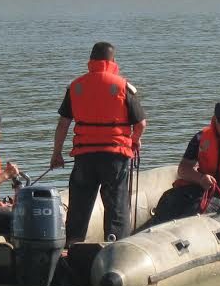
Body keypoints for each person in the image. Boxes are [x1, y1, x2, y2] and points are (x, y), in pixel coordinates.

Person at [50, 42, 147, 244]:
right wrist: (134, 142)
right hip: (115, 155)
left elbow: (63, 124)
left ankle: (73, 244)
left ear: (91, 61)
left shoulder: (76, 86)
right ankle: (115, 244)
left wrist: (56, 153)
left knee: (79, 205)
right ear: (112, 61)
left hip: (84, 156)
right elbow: (141, 124)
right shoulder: (122, 86)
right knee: (117, 205)